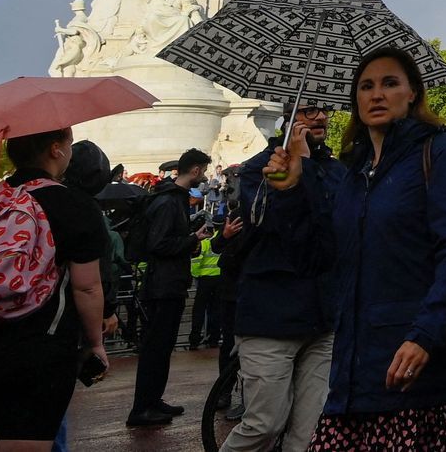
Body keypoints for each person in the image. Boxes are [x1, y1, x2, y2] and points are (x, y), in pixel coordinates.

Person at [268, 45, 446, 450]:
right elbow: (318, 259)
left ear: (413, 93)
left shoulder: (441, 151)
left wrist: (425, 336)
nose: (376, 94)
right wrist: (291, 191)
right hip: (353, 375)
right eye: (366, 86)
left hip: (417, 375)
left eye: (389, 83)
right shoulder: (355, 171)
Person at [0, 127, 109, 451]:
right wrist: (95, 343)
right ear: (56, 149)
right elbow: (87, 289)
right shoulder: (75, 205)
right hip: (36, 348)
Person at [227, 104, 342, 452]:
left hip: (321, 317)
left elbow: (334, 228)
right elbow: (277, 227)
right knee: (264, 425)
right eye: (309, 111)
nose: (320, 118)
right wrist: (299, 169)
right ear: (289, 117)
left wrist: (305, 167)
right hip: (270, 316)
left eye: (325, 111)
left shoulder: (335, 170)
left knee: (309, 435)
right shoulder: (256, 170)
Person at [127, 147, 208, 427]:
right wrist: (190, 240)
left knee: (162, 347)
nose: (205, 176)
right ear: (195, 170)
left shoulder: (171, 199)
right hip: (163, 285)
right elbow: (158, 244)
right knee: (155, 348)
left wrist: (189, 240)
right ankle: (142, 407)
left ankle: (152, 400)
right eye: (203, 171)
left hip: (169, 281)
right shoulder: (169, 202)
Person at [189, 222, 224, 349]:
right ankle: (213, 338)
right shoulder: (222, 241)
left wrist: (196, 275)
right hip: (219, 278)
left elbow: (196, 261)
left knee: (199, 310)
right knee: (216, 310)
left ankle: (195, 339)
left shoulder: (205, 242)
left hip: (204, 280)